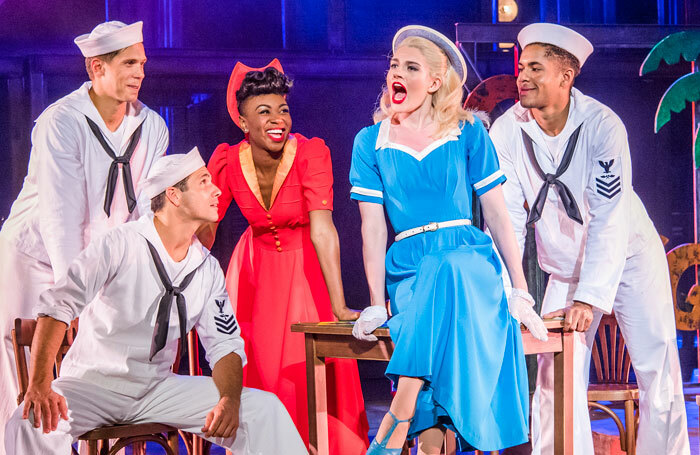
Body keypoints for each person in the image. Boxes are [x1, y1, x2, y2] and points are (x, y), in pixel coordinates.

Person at [4, 148, 307, 455]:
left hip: (157, 388)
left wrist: (229, 398)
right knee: (28, 424)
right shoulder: (120, 244)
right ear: (174, 195)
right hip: (93, 385)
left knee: (264, 410)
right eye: (204, 182)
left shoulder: (206, 267)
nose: (216, 189)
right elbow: (59, 306)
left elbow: (225, 344)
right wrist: (40, 384)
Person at [488, 22, 690, 455]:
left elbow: (609, 216)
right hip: (564, 266)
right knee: (554, 376)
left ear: (566, 75)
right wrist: (513, 293)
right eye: (521, 66)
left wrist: (590, 297)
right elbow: (503, 219)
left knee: (658, 368)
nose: (522, 76)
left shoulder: (602, 125)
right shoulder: (506, 131)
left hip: (630, 254)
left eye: (535, 68)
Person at [349, 25, 548, 455]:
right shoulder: (371, 142)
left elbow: (495, 212)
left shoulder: (469, 131)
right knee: (434, 292)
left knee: (449, 265)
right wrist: (374, 300)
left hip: (469, 257)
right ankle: (431, 436)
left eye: (411, 67)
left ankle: (399, 411)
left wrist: (519, 287)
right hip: (409, 267)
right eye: (394, 65)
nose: (396, 73)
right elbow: (372, 227)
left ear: (436, 81)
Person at [0, 20, 169, 453]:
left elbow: (144, 212)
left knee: (96, 360)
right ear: (97, 68)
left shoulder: (152, 127)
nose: (140, 72)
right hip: (36, 260)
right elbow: (63, 219)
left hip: (99, 263)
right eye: (129, 63)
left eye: (143, 63)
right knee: (27, 368)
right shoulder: (63, 122)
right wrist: (73, 299)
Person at [198, 60, 369, 453]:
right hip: (253, 276)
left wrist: (340, 305)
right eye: (264, 111)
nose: (278, 120)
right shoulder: (226, 160)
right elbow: (204, 231)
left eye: (283, 109)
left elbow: (323, 228)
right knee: (256, 369)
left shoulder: (311, 153)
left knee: (306, 370)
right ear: (243, 122)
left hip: (304, 269)